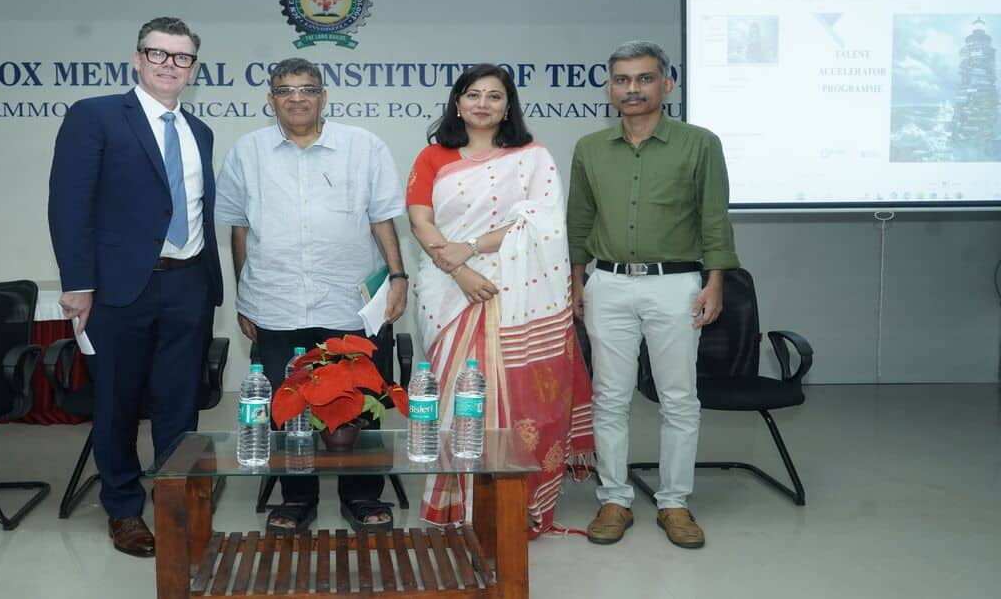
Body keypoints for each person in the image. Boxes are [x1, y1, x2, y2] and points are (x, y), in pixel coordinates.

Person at [48, 16, 223, 558]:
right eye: (159, 54)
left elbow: (193, 209)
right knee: (118, 403)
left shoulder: (200, 132)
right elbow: (69, 204)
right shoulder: (95, 116)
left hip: (188, 285)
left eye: (182, 57)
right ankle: (123, 510)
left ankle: (175, 505)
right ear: (137, 59)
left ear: (194, 67)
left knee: (179, 405)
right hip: (118, 291)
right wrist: (78, 285)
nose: (170, 65)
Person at [213, 57, 408, 533]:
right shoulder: (246, 152)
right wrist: (245, 296)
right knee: (287, 403)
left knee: (363, 399)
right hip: (275, 302)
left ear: (323, 96)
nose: (296, 97)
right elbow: (239, 231)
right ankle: (296, 497)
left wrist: (399, 279)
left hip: (349, 303)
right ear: (270, 98)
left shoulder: (364, 147)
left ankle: (362, 495)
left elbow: (382, 220)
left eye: (306, 89)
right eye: (285, 89)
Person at [407, 64, 594, 538]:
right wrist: (460, 269)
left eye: (494, 96)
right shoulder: (433, 156)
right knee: (456, 397)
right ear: (457, 102)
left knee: (515, 389)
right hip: (447, 290)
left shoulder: (532, 157)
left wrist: (470, 249)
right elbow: (421, 222)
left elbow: (540, 225)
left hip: (515, 289)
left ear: (508, 106)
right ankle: (457, 505)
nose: (483, 104)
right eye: (473, 95)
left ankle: (513, 505)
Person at [566, 40, 739, 549]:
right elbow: (579, 220)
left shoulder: (699, 143)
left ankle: (674, 502)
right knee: (610, 397)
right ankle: (614, 499)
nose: (632, 89)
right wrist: (577, 279)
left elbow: (714, 218)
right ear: (609, 87)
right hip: (609, 283)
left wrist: (715, 281)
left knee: (679, 398)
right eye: (622, 80)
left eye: (644, 79)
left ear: (667, 84)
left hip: (676, 285)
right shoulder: (590, 149)